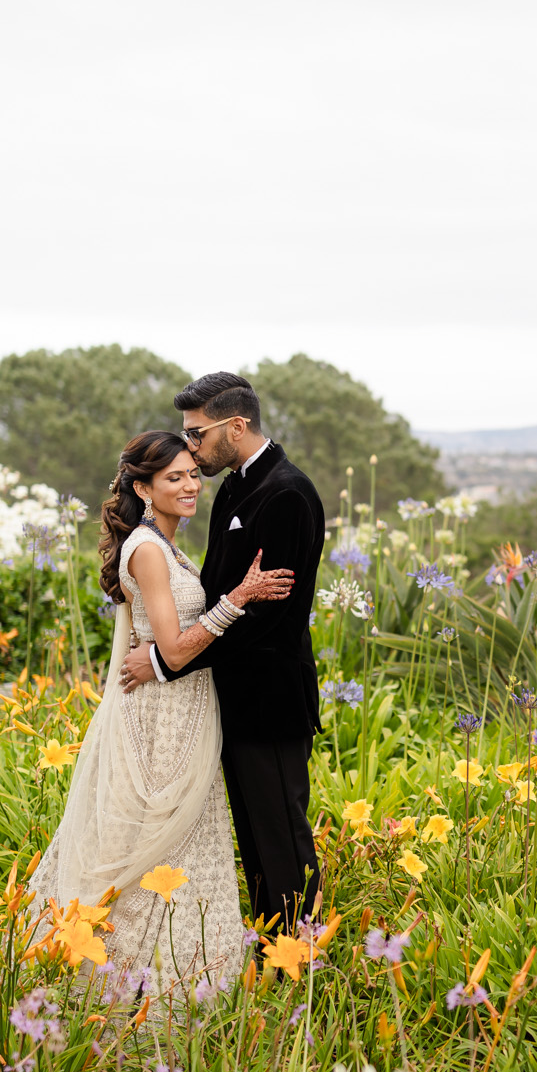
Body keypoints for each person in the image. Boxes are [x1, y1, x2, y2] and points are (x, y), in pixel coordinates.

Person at [26, 430, 290, 980]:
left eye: (194, 473)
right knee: (154, 846)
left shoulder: (166, 546)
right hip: (160, 720)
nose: (191, 485)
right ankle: (132, 983)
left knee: (177, 851)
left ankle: (179, 976)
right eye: (175, 477)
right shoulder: (147, 550)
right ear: (143, 488)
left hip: (183, 711)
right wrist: (239, 598)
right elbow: (171, 648)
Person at [118, 372, 327, 929]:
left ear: (236, 426)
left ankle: (297, 964)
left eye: (197, 434)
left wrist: (165, 661)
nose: (190, 446)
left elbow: (266, 616)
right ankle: (267, 952)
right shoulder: (233, 487)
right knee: (256, 844)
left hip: (270, 702)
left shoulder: (286, 492)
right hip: (228, 700)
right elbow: (217, 589)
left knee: (281, 839)